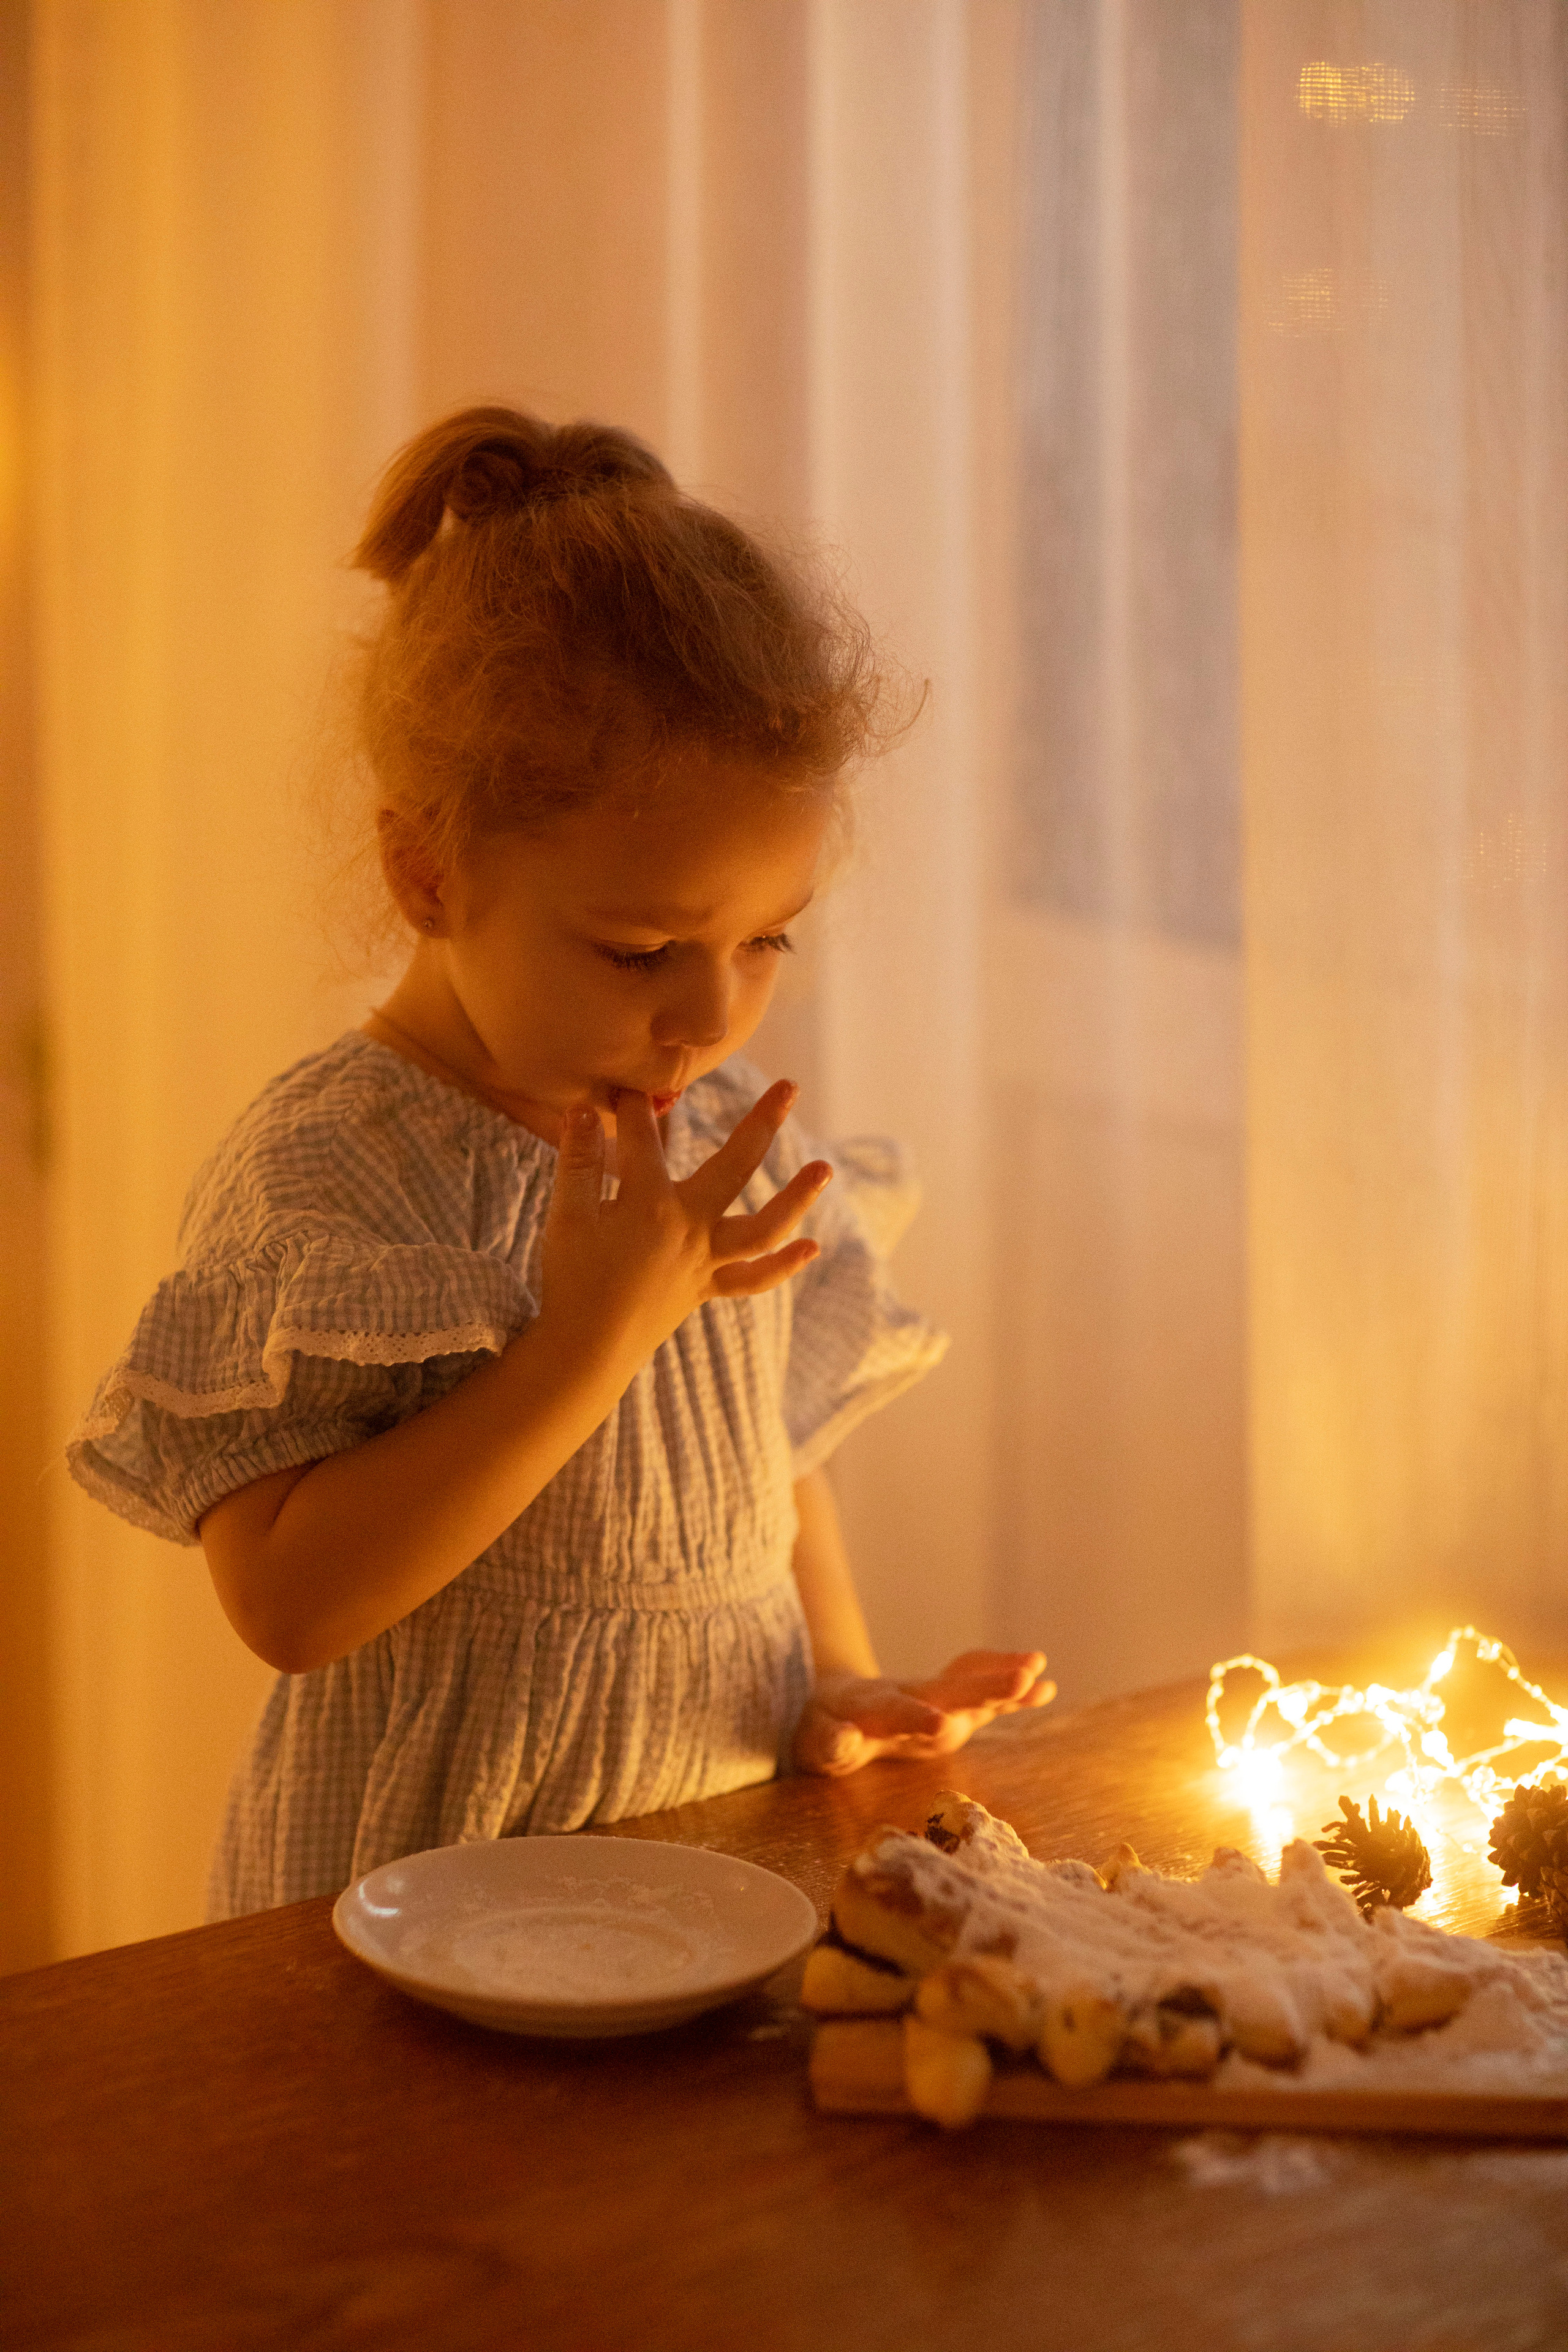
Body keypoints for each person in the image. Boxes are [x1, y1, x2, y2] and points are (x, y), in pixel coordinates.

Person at [67, 406, 1052, 1919]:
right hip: (418, 1910)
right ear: (429, 871)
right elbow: (287, 1603)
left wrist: (840, 1685)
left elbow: (774, 1478)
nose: (709, 1012)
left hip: (706, 1887)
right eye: (642, 949)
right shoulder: (337, 1173)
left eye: (764, 938)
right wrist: (587, 1340)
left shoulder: (715, 1129)